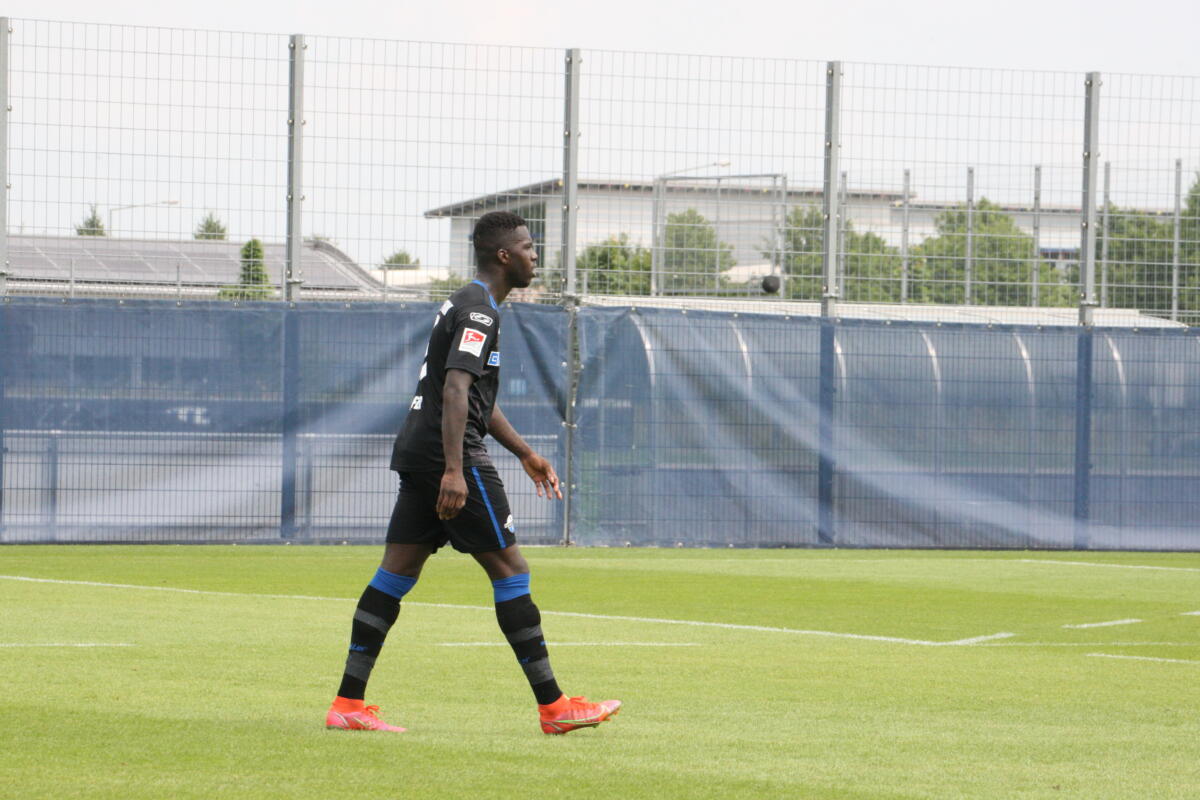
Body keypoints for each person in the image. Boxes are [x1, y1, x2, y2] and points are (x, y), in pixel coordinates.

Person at [325, 211, 621, 735]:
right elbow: (457, 390)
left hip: (422, 451)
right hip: (448, 456)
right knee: (511, 570)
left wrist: (526, 452)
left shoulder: (466, 303)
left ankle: (347, 703)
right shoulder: (481, 312)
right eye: (529, 247)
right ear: (504, 256)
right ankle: (554, 709)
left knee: (395, 573)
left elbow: (473, 395)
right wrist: (457, 470)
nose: (535, 256)